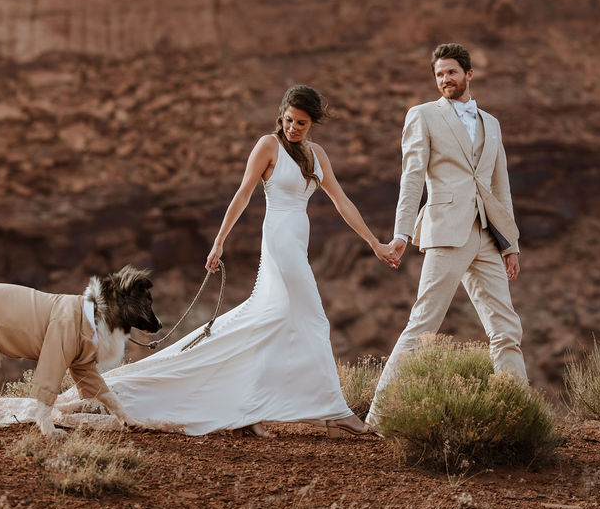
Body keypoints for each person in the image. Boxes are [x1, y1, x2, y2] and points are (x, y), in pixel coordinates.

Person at [50, 85, 393, 438]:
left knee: (270, 322)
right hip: (278, 240)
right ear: (281, 115)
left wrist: (374, 243)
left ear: (313, 124)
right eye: (289, 120)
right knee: (313, 321)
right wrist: (219, 241)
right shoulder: (267, 145)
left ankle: (250, 409)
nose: (293, 128)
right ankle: (335, 412)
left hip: (297, 238)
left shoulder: (317, 154)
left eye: (301, 124)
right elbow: (243, 193)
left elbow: (341, 200)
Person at [365, 43, 527, 428]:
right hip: (445, 233)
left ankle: (519, 415)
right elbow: (411, 178)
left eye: (451, 73)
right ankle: (378, 415)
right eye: (439, 74)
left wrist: (511, 244)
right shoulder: (422, 116)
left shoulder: (492, 123)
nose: (444, 80)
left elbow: (499, 187)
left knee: (506, 327)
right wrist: (401, 233)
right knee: (424, 324)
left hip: (487, 236)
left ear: (468, 74)